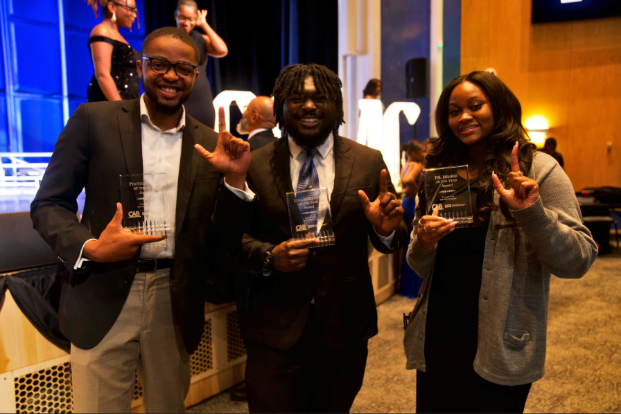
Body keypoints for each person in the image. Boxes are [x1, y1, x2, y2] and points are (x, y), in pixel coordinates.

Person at [31, 27, 253, 413]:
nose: (171, 76)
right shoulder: (93, 120)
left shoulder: (208, 144)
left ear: (196, 76)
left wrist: (235, 180)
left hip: (175, 297)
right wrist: (92, 247)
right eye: (160, 64)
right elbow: (49, 204)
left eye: (183, 68)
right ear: (141, 66)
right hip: (101, 291)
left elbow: (219, 237)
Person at [404, 71, 597, 413]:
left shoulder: (538, 168)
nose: (464, 117)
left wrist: (532, 213)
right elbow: (419, 264)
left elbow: (578, 259)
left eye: (475, 105)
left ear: (499, 107)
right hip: (440, 333)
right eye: (453, 111)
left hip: (502, 337)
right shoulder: (439, 172)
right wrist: (425, 242)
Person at [237, 63, 408, 413]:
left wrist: (385, 229)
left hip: (344, 326)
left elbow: (392, 235)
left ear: (338, 105)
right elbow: (231, 237)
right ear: (280, 107)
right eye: (297, 98)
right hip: (275, 327)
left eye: (321, 97)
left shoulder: (367, 161)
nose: (310, 106)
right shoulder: (253, 164)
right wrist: (271, 256)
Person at [175, 0, 228, 128]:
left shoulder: (201, 39)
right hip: (178, 95)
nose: (187, 23)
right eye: (183, 18)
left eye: (191, 19)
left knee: (205, 138)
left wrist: (204, 24)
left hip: (200, 97)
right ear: (176, 15)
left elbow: (222, 50)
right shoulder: (168, 38)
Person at [85, 0, 141, 102]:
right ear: (112, 7)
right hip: (111, 109)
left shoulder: (117, 36)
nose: (134, 15)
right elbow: (102, 75)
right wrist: (121, 109)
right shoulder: (102, 31)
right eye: (131, 9)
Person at [399, 139, 427, 298]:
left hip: (406, 202)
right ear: (416, 153)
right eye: (423, 151)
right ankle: (415, 288)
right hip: (412, 204)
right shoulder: (416, 165)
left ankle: (408, 287)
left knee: (409, 245)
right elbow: (409, 180)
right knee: (416, 242)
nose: (425, 153)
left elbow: (404, 182)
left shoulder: (406, 165)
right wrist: (419, 191)